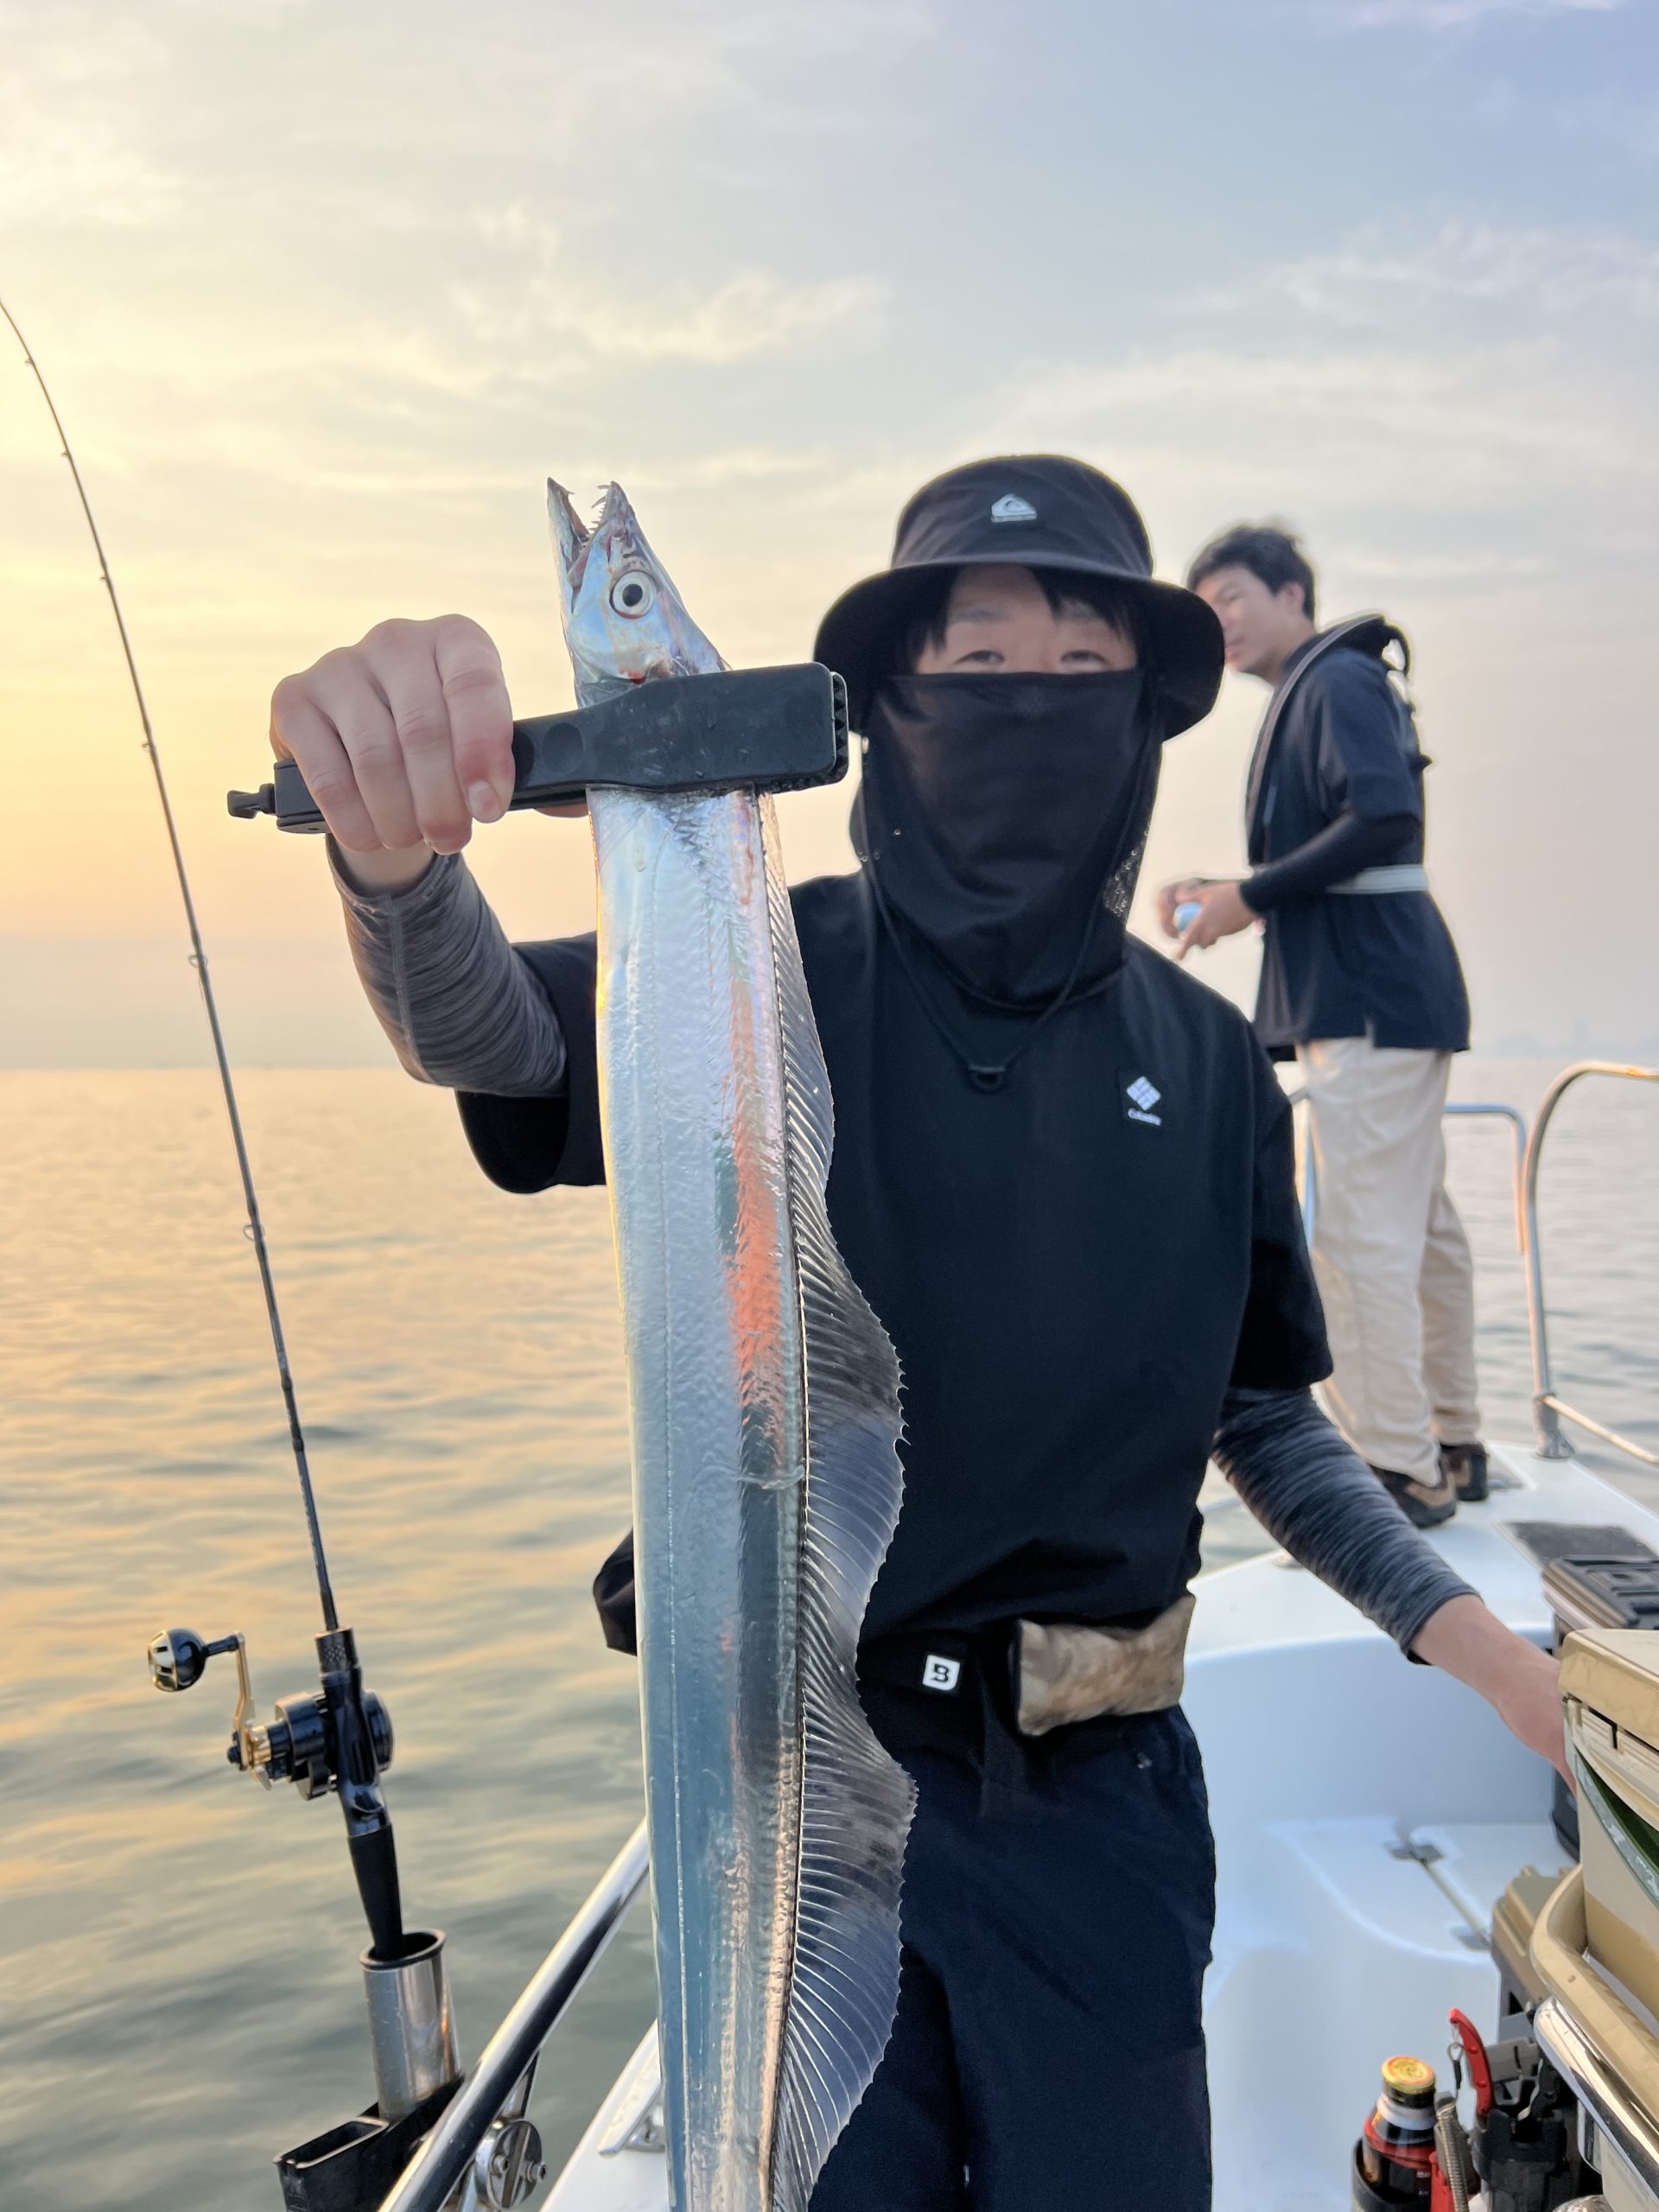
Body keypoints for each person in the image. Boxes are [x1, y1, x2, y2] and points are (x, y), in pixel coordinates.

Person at [272, 456, 1560, 2209]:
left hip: (1104, 1808)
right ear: (886, 701)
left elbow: (1263, 1415)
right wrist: (393, 862)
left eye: (1080, 663)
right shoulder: (746, 958)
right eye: (979, 658)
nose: (1031, 697)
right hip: (800, 1781)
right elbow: (491, 1033)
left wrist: (1491, 1658)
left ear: (1145, 713)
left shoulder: (1211, 1065)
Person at [1162, 524, 1484, 1530]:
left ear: (1292, 594)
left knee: (1359, 1236)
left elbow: (1381, 816)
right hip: (1388, 990)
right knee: (1420, 1228)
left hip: (1368, 997)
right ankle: (1452, 1437)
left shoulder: (1335, 679)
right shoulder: (1333, 684)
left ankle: (1396, 1466)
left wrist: (1245, 897)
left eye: (1231, 596)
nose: (1217, 619)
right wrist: (1230, 889)